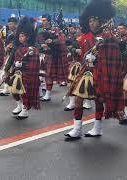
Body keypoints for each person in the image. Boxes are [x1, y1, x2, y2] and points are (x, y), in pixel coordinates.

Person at [65, 0, 125, 140]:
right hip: (86, 71)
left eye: (94, 20)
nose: (91, 23)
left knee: (98, 101)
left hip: (101, 73)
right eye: (90, 20)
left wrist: (98, 58)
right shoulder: (86, 37)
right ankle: (76, 129)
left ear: (101, 21)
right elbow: (80, 53)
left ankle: (97, 128)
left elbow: (114, 58)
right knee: (78, 98)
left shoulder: (109, 38)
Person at [9, 17, 40, 119]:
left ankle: (25, 110)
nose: (19, 38)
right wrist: (13, 68)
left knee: (25, 93)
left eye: (22, 36)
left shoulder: (32, 49)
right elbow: (15, 59)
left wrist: (22, 65)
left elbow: (34, 64)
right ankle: (19, 105)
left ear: (27, 37)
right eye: (19, 36)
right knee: (13, 90)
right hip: (18, 72)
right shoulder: (19, 47)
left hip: (27, 74)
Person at [38, 14, 68, 102]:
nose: (42, 22)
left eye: (44, 20)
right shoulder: (39, 30)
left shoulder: (55, 30)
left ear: (49, 21)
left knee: (48, 76)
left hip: (50, 55)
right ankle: (39, 93)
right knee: (39, 75)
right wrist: (40, 45)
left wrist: (52, 41)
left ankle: (47, 94)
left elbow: (61, 40)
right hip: (40, 54)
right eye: (42, 20)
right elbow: (35, 41)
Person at [0, 16, 18, 96]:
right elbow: (7, 43)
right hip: (10, 55)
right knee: (6, 71)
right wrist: (7, 47)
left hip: (18, 56)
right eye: (9, 24)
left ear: (16, 24)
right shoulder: (10, 34)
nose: (10, 26)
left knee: (17, 74)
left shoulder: (20, 34)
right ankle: (6, 88)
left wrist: (13, 45)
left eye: (11, 24)